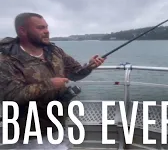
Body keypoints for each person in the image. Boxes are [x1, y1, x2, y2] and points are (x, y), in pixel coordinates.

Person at [0, 12, 105, 149]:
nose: (46, 31)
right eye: (40, 28)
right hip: (30, 134)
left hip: (58, 124)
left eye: (46, 27)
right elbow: (11, 97)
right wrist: (49, 84)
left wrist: (89, 66)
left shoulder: (54, 51)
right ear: (23, 31)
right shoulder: (7, 60)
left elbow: (74, 73)